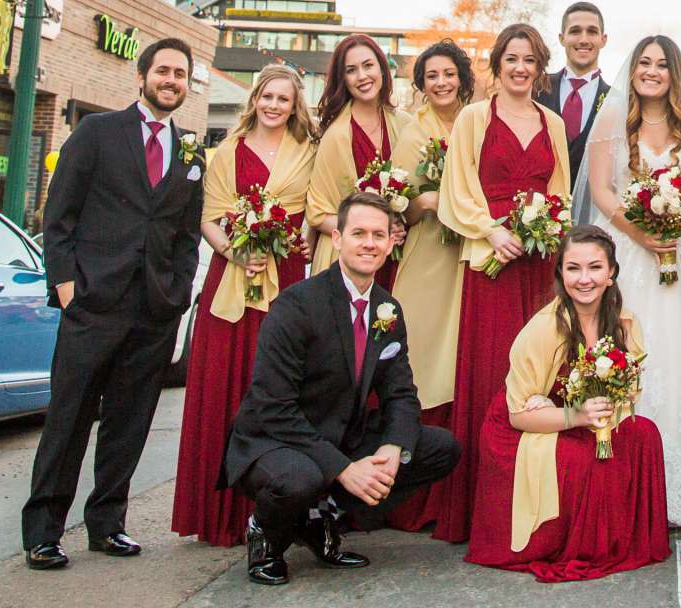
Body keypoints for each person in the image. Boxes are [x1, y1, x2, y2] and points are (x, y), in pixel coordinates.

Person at [21, 37, 205, 570]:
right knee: (69, 419)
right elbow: (58, 220)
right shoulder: (97, 132)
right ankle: (44, 532)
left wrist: (178, 292)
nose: (171, 81)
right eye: (163, 71)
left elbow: (186, 234)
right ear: (142, 75)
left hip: (155, 309)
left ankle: (107, 524)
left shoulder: (190, 150)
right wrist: (66, 288)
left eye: (180, 74)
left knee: (129, 422)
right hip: (93, 304)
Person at [222, 191, 462, 586]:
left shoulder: (387, 309)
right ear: (337, 239)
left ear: (390, 243)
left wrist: (391, 448)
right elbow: (273, 408)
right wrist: (344, 469)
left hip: (340, 433)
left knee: (438, 447)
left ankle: (321, 518)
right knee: (300, 478)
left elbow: (400, 393)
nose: (369, 243)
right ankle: (265, 533)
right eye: (359, 233)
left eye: (378, 235)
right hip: (275, 441)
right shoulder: (296, 306)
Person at [431, 22, 573, 544]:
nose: (520, 68)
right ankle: (483, 508)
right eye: (511, 59)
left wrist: (546, 233)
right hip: (490, 261)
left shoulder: (552, 122)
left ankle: (537, 503)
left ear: (540, 68)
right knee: (493, 372)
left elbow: (559, 192)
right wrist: (491, 231)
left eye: (530, 60)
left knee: (540, 373)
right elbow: (456, 187)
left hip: (536, 265)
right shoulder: (473, 117)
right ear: (497, 64)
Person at [583, 33, 681, 532]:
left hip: (673, 257)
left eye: (661, 65)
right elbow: (602, 192)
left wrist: (670, 229)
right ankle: (628, 491)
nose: (651, 71)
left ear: (674, 73)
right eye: (644, 62)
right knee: (626, 352)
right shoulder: (612, 119)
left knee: (677, 356)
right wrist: (641, 234)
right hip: (626, 253)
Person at [468, 228, 672, 580]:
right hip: (521, 427)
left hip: (585, 418)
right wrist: (574, 415)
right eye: (573, 269)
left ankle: (625, 541)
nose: (584, 279)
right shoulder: (546, 327)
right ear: (561, 274)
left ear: (611, 274)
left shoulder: (623, 323)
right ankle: (581, 545)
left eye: (595, 268)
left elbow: (628, 391)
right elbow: (518, 414)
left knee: (644, 434)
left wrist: (603, 413)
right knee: (582, 459)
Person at [174, 63, 319, 548]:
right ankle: (220, 514)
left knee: (281, 389)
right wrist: (237, 251)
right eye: (267, 97)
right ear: (254, 99)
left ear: (294, 105)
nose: (274, 106)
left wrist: (298, 239)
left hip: (288, 281)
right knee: (225, 388)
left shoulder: (309, 152)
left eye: (284, 99)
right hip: (232, 275)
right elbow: (209, 217)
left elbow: (313, 213)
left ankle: (278, 511)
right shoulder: (228, 153)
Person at [381, 40, 474, 533]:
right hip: (427, 255)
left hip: (470, 256)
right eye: (431, 76)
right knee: (420, 358)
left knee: (463, 357)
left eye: (448, 73)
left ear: (462, 76)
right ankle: (413, 499)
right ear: (421, 85)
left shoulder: (479, 119)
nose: (440, 82)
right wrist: (437, 199)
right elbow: (401, 203)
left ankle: (461, 493)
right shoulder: (414, 132)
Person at [306, 35, 398, 276]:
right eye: (351, 70)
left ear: (382, 68)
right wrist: (366, 232)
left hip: (394, 255)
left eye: (368, 65)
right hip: (346, 258)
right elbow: (317, 214)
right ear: (343, 79)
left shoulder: (404, 125)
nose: (362, 76)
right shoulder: (336, 136)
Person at [550, 2, 613, 222]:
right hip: (537, 223)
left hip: (594, 220)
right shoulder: (537, 89)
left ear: (603, 40)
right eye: (575, 31)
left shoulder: (617, 101)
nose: (584, 39)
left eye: (592, 32)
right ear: (561, 38)